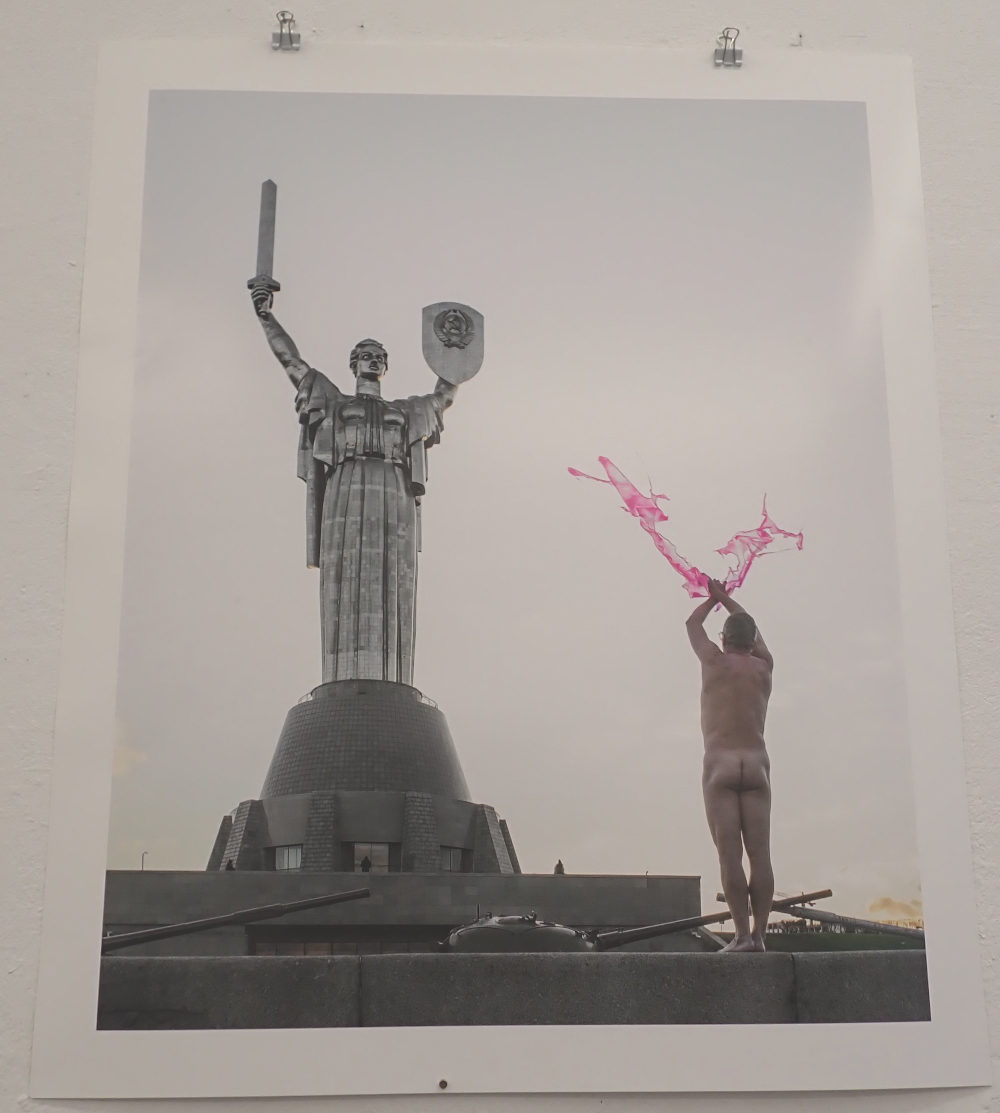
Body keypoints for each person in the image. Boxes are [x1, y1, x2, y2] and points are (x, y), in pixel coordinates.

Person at [250, 282, 458, 686]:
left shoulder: (407, 410)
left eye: (379, 356)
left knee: (394, 575)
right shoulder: (334, 402)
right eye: (366, 355)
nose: (373, 360)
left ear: (385, 366)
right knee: (346, 573)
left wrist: (453, 350)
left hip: (395, 490)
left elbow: (445, 393)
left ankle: (392, 677)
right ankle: (343, 676)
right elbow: (292, 362)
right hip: (346, 488)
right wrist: (266, 316)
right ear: (353, 363)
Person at [686, 578, 774, 952]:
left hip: (720, 765)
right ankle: (760, 935)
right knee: (760, 855)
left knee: (729, 855)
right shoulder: (764, 667)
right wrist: (726, 598)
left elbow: (692, 624)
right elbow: (751, 626)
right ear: (752, 641)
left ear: (723, 639)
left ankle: (740, 935)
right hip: (756, 765)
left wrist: (712, 599)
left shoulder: (713, 661)